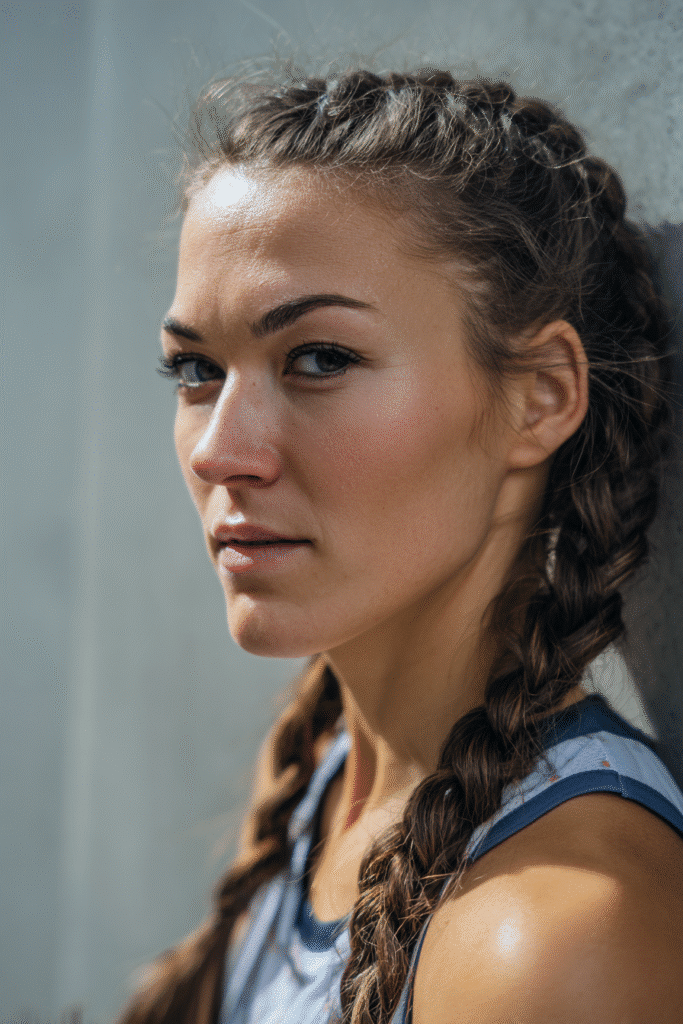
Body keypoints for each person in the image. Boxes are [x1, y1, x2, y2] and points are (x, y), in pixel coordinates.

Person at [120, 69, 683, 1024]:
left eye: (320, 359)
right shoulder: (321, 769)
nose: (219, 450)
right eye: (195, 370)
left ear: (538, 395)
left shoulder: (550, 943)